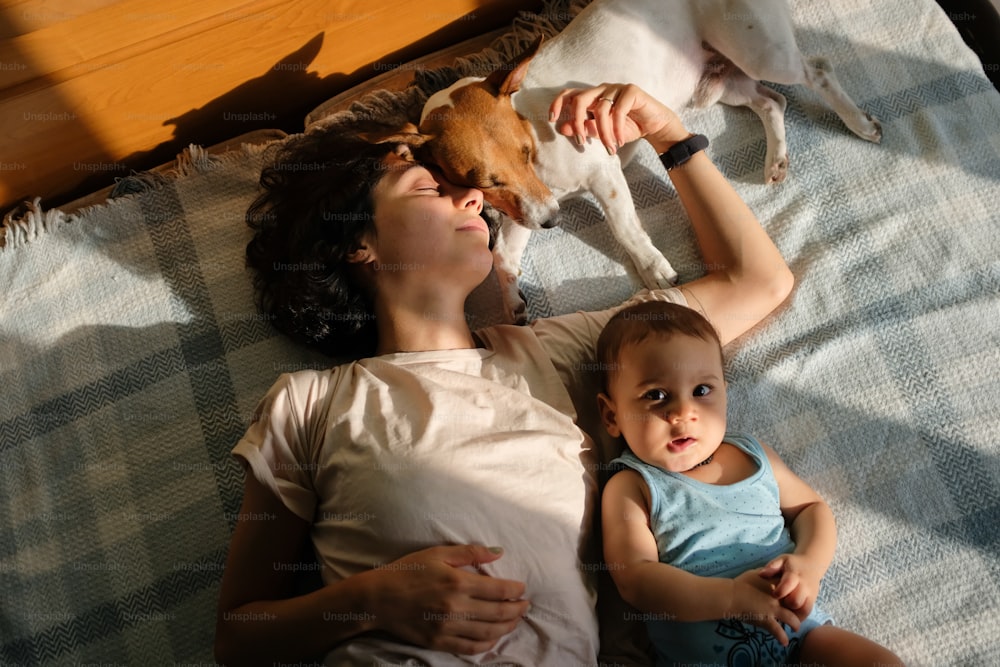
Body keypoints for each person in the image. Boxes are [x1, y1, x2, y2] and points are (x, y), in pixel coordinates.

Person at [213, 82, 794, 666]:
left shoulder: (557, 355)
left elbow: (757, 281)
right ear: (358, 244)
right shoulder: (311, 405)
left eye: (471, 193)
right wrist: (371, 599)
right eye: (430, 190)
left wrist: (668, 133)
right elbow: (238, 638)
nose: (474, 201)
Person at [596, 300, 904, 666]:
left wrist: (808, 564)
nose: (682, 413)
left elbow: (811, 509)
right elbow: (635, 578)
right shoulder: (634, 486)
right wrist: (729, 598)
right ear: (611, 415)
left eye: (702, 390)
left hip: (801, 636)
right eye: (656, 395)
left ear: (725, 392)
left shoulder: (754, 456)